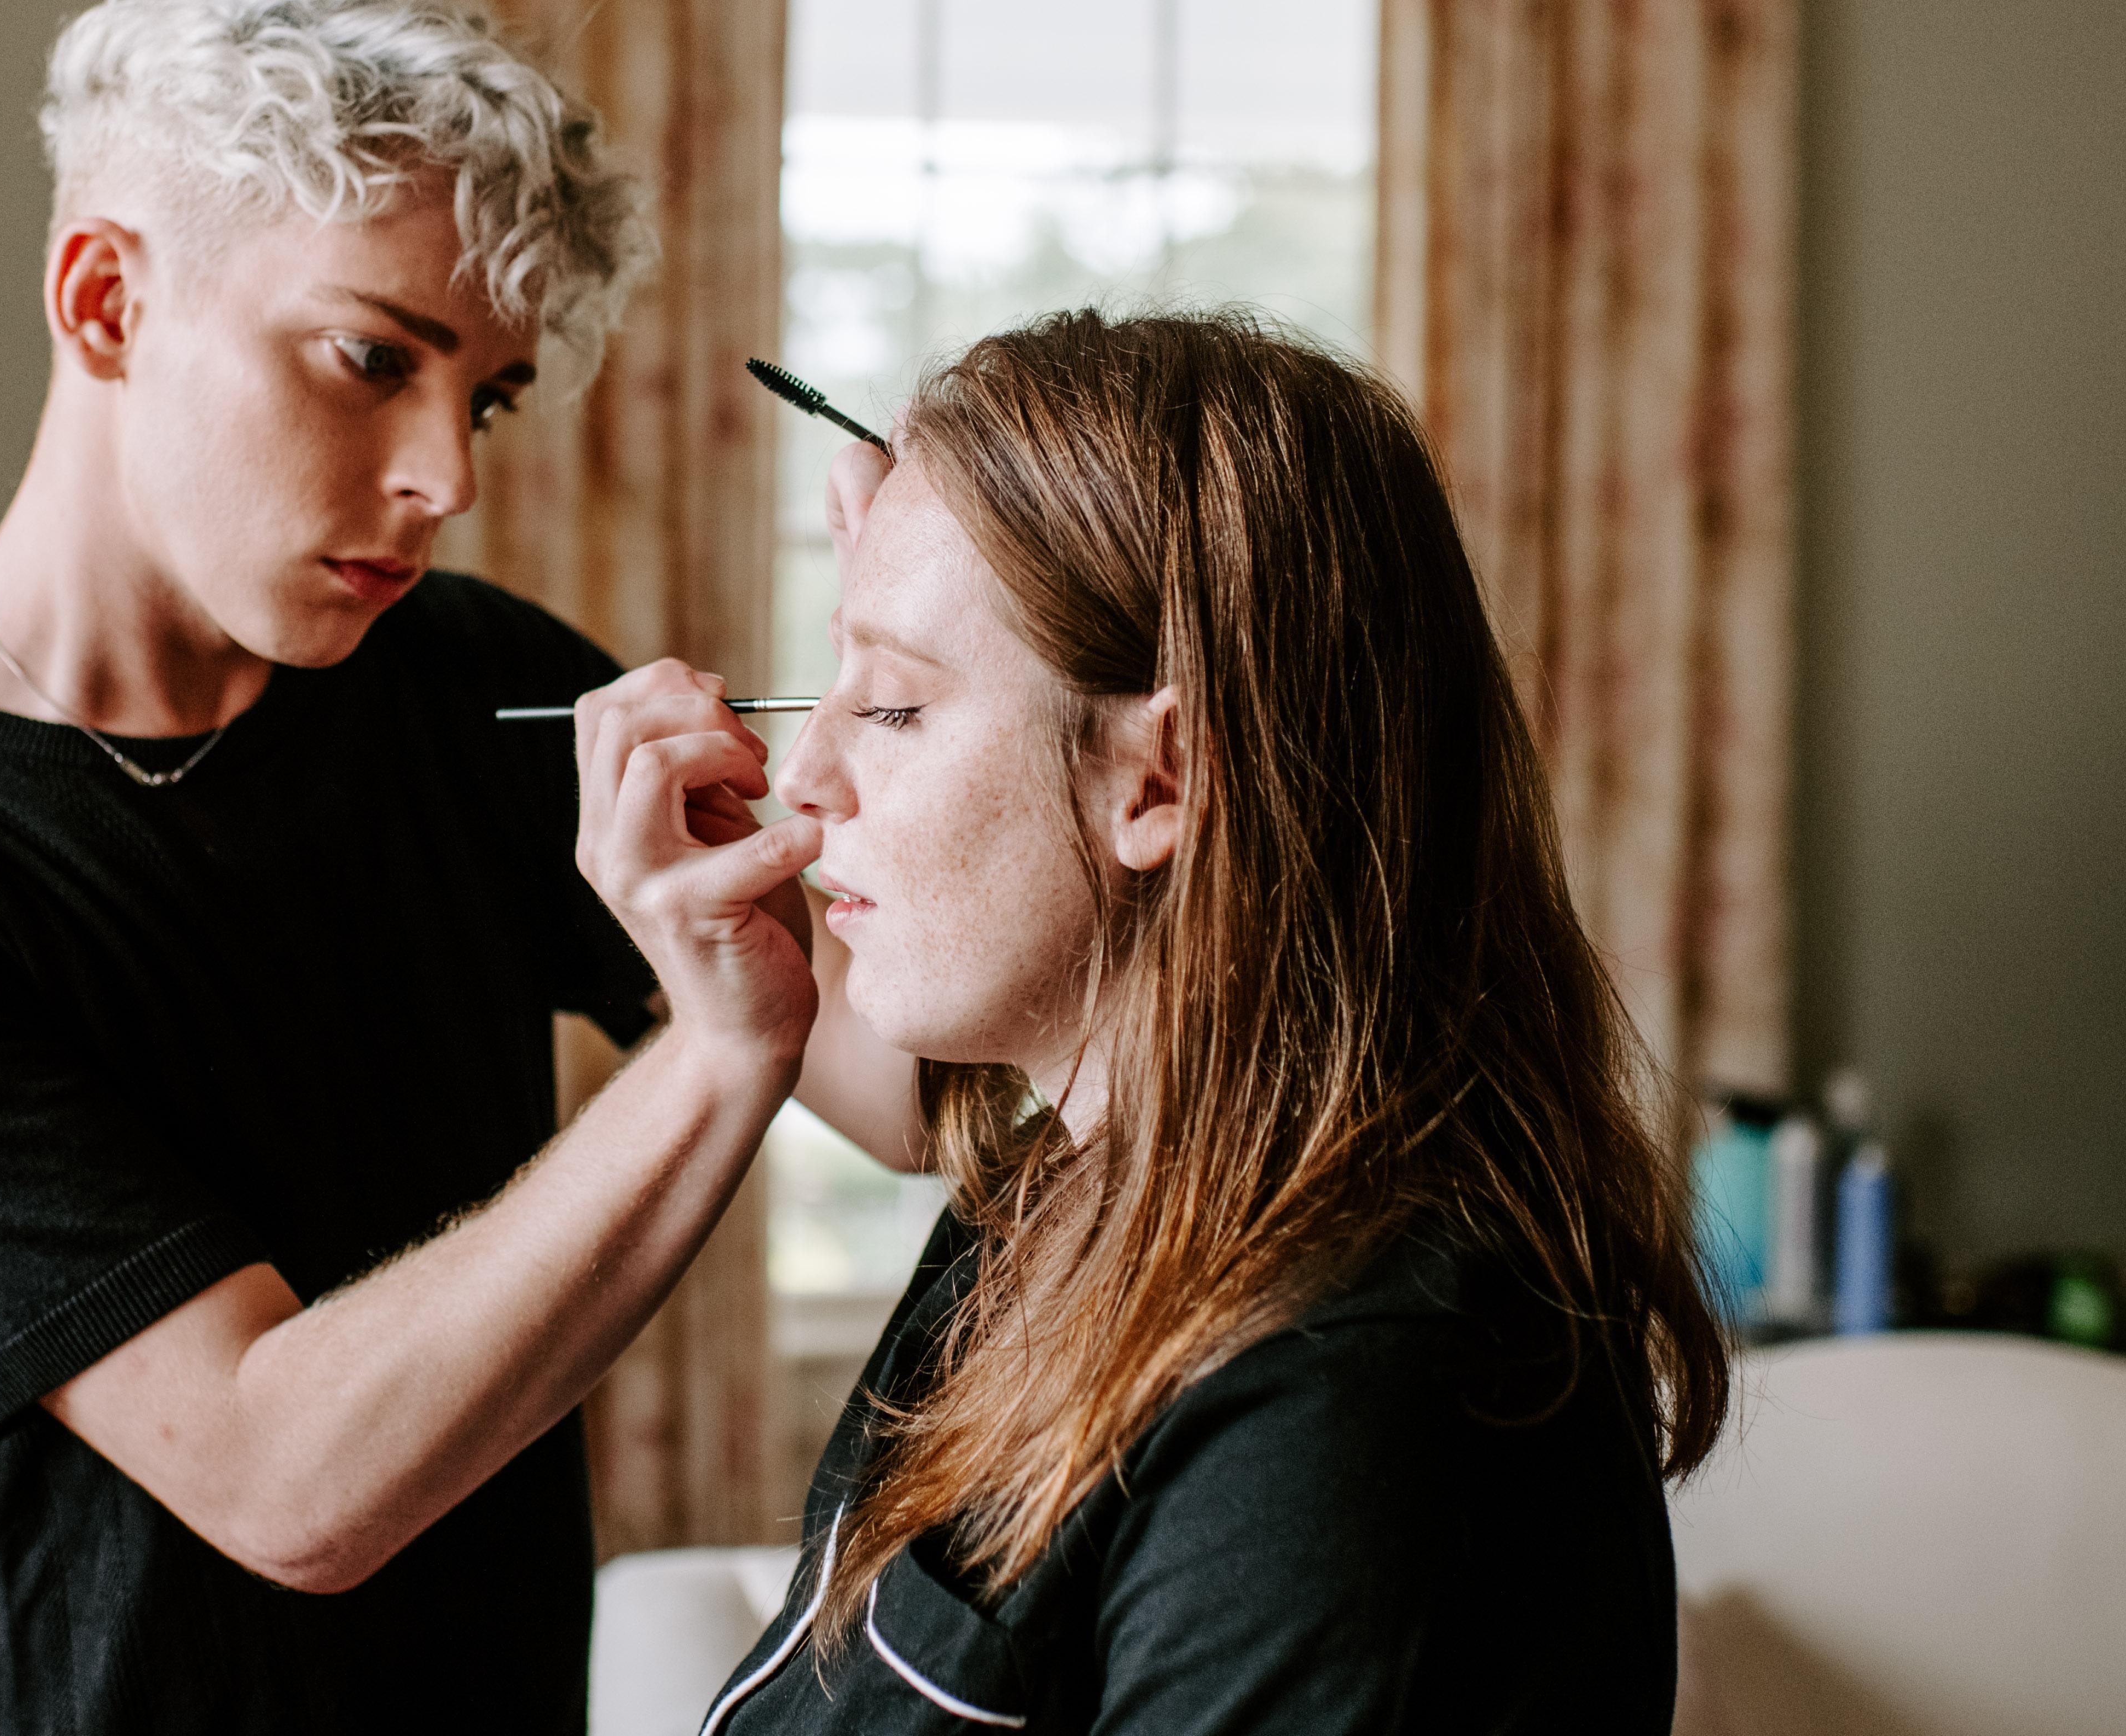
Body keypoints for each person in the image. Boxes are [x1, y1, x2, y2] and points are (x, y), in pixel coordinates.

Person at [0, 0, 862, 1734]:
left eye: (483, 395)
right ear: (106, 300)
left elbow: (904, 1091)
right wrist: (716, 1056)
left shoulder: (476, 684)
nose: (449, 477)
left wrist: (966, 658)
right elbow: (286, 1484)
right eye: (370, 357)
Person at [578, 308, 1730, 1734]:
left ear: (1158, 779)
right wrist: (919, 599)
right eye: (834, 682)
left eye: (891, 711)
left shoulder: (1337, 1409)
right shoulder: (1072, 1195)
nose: (801, 775)